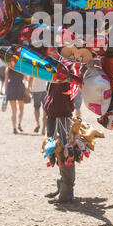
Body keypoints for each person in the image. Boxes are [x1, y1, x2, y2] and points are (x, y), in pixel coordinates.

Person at [44, 65, 76, 203]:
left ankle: (66, 191)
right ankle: (62, 184)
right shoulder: (54, 64)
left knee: (65, 153)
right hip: (53, 118)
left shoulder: (67, 65)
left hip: (63, 118)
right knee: (56, 152)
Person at [4, 67, 26, 134]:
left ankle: (14, 127)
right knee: (21, 108)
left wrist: (6, 91)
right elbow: (27, 78)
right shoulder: (21, 67)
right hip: (20, 86)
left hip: (11, 87)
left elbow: (6, 80)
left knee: (14, 110)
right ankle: (19, 123)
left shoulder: (8, 68)